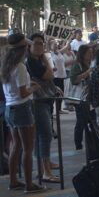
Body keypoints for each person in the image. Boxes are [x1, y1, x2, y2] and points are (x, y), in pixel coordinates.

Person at [1, 33, 45, 193]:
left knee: (15, 146)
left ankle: (14, 181)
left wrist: (28, 84)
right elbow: (22, 93)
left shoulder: (7, 65)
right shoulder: (19, 66)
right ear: (23, 48)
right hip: (21, 108)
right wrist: (33, 88)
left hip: (10, 108)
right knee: (28, 148)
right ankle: (29, 184)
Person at [26, 33, 60, 183]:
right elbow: (50, 74)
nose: (41, 46)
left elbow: (49, 76)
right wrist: (46, 58)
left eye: (42, 43)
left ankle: (45, 164)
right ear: (29, 46)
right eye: (37, 43)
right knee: (44, 135)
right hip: (38, 102)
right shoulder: (31, 62)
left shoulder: (38, 60)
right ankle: (45, 170)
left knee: (44, 135)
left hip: (45, 100)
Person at [69, 45, 93, 150]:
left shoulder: (87, 64)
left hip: (86, 97)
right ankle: (78, 144)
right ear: (83, 54)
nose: (91, 54)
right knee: (81, 121)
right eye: (89, 53)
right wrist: (87, 73)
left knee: (89, 119)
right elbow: (74, 80)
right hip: (79, 98)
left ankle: (89, 142)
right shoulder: (77, 65)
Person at [50, 39, 68, 114]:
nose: (56, 45)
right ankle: (51, 111)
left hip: (62, 75)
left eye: (56, 44)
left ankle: (59, 109)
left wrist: (68, 40)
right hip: (55, 77)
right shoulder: (50, 54)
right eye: (54, 44)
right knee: (54, 94)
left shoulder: (59, 52)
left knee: (61, 93)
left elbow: (67, 46)